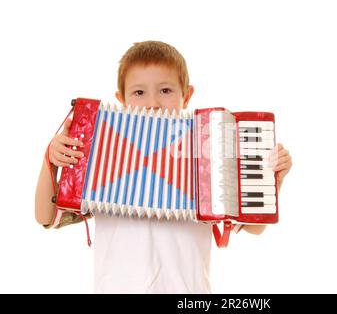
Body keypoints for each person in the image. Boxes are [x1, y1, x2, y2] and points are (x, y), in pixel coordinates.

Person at [35, 40, 292, 293]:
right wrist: (51, 159)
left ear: (186, 95)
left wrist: (270, 181)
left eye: (165, 91)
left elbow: (255, 226)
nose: (153, 102)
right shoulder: (101, 147)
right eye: (139, 92)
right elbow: (45, 217)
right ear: (121, 99)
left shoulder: (208, 148)